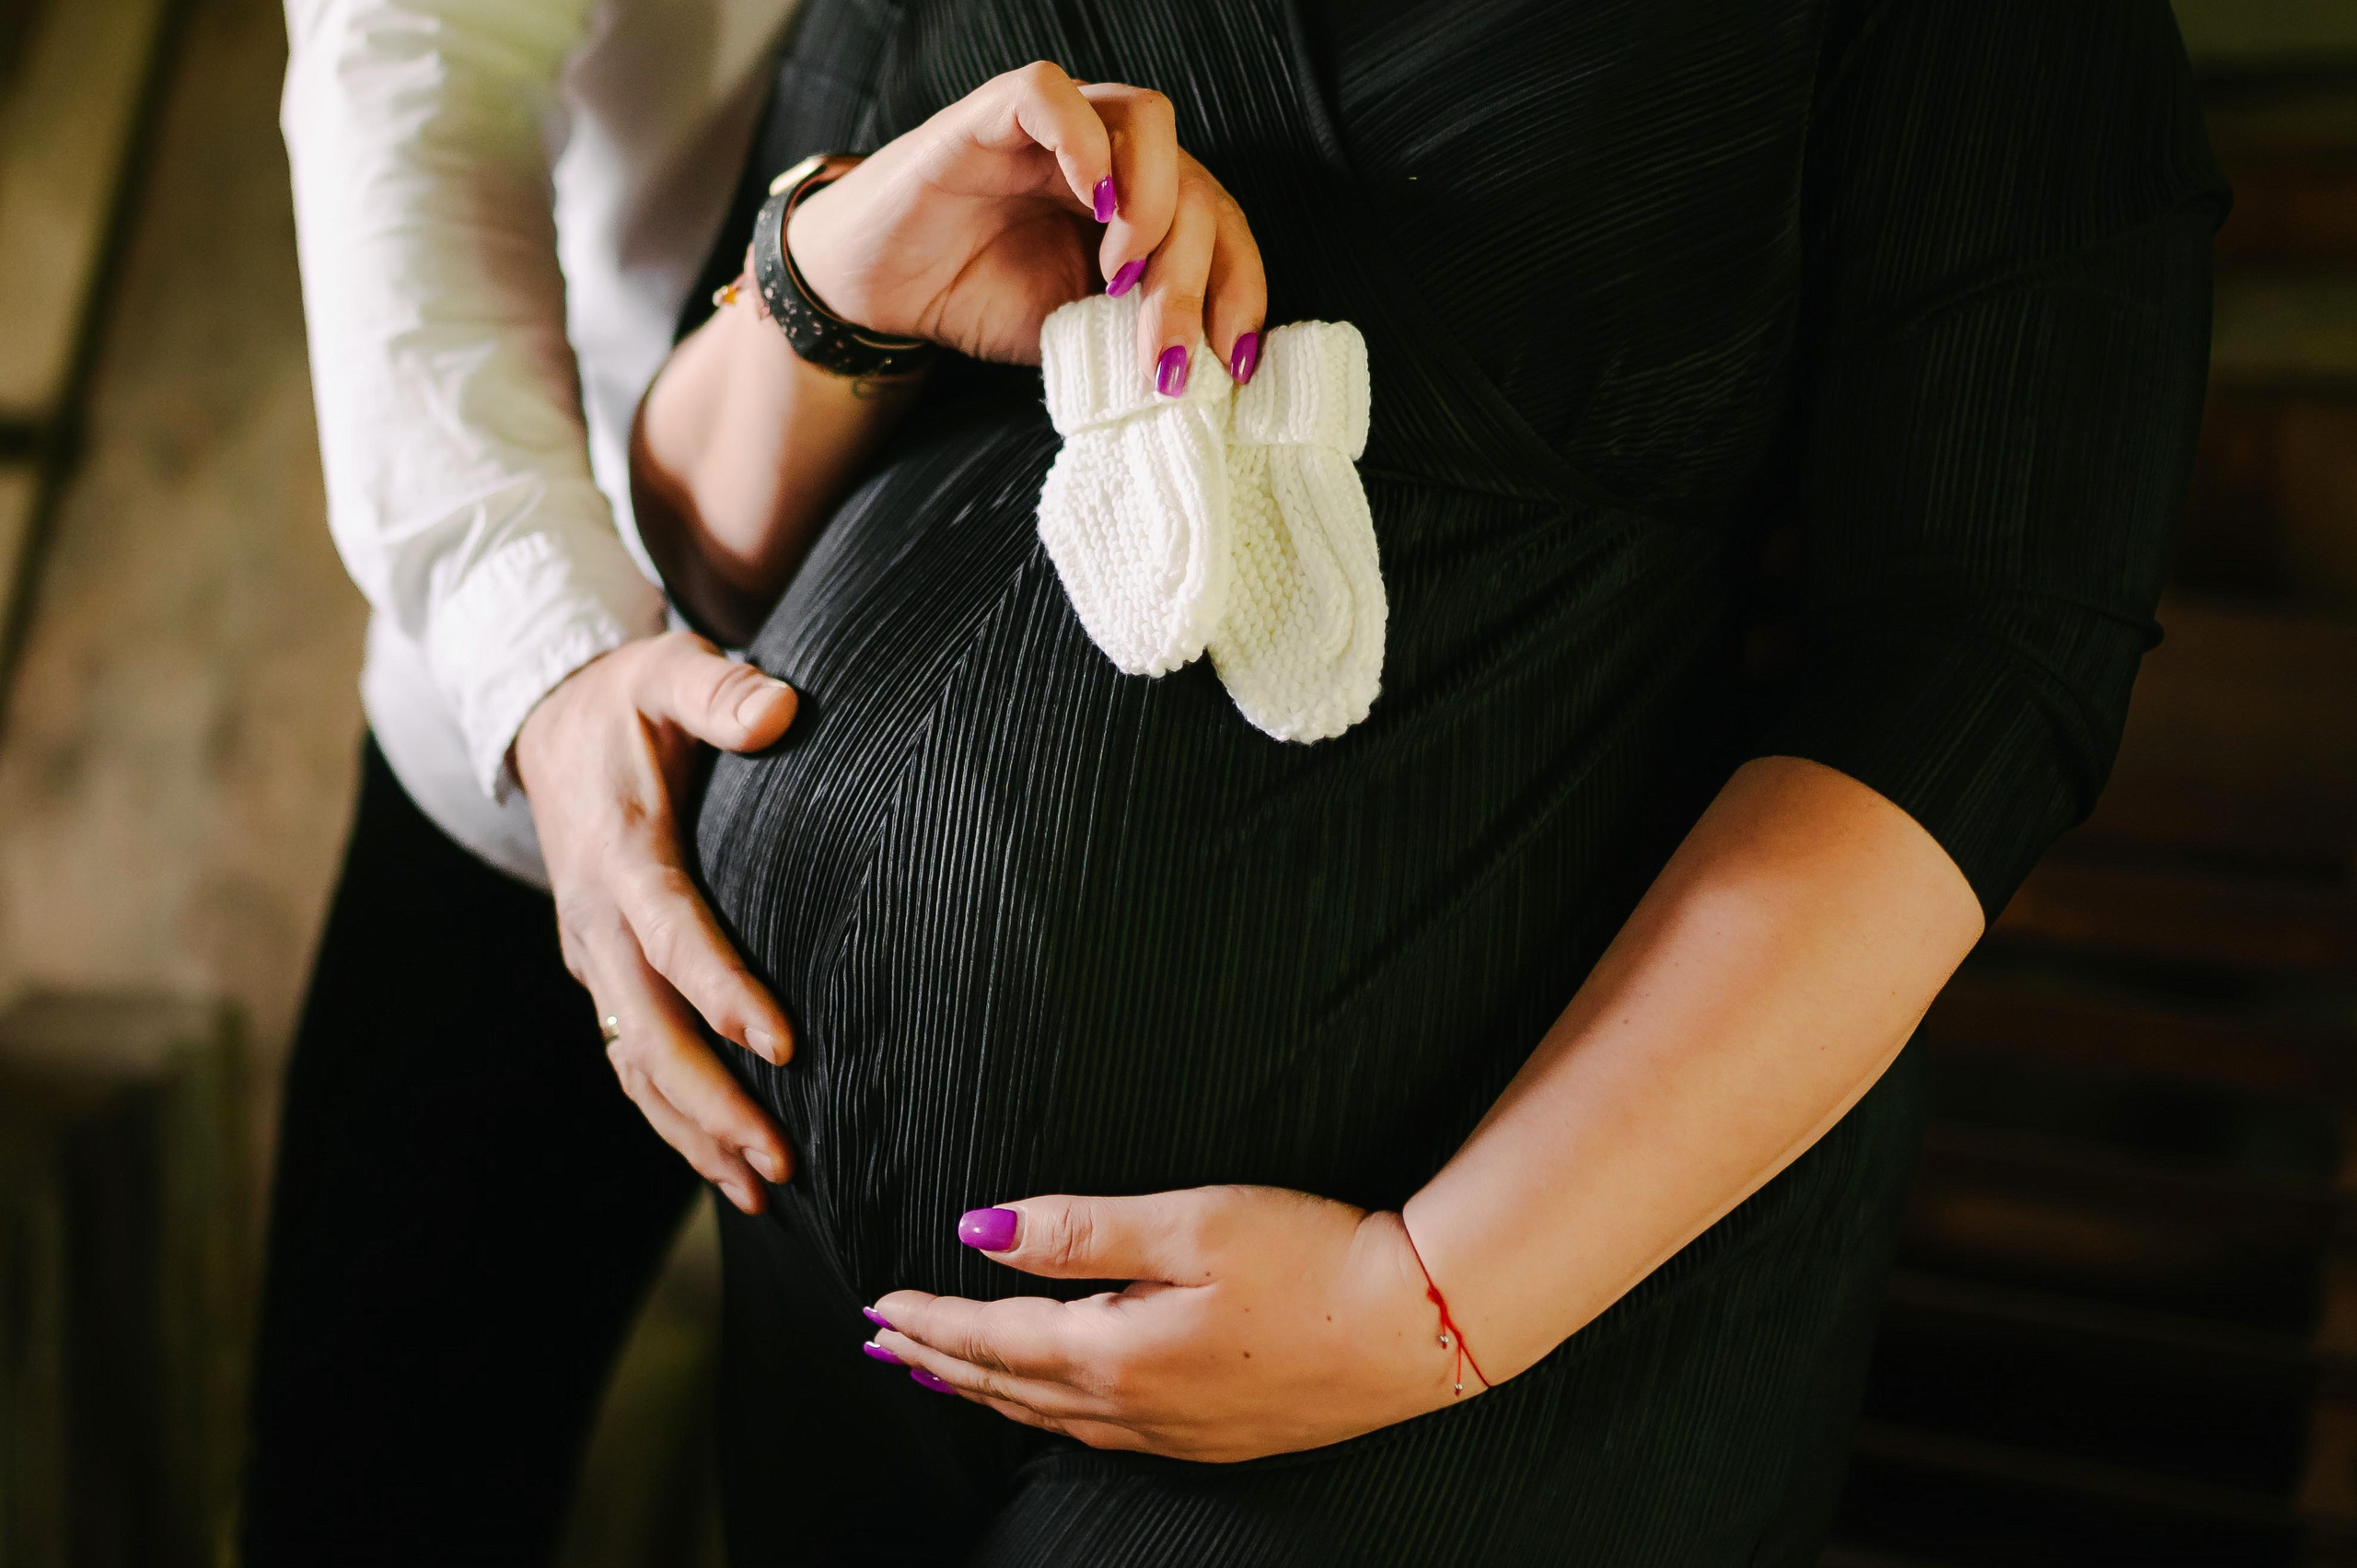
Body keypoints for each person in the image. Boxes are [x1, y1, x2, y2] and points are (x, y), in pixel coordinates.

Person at [624, 0, 2227, 1562]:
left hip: (1477, 1287)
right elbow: (709, 548)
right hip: (815, 1261)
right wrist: (827, 288)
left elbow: (1975, 671)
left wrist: (1431, 1298)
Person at [247, 0, 816, 1557]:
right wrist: (550, 667)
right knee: (379, 1492)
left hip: (1046, 841)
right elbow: (409, 79)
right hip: (558, 709)